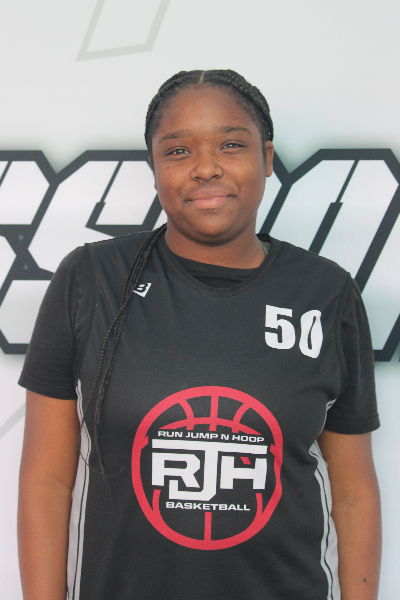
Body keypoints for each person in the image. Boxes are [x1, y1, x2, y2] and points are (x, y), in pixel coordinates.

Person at [18, 70, 381, 600]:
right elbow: (46, 482)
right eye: (178, 151)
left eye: (231, 144)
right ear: (154, 168)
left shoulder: (327, 292)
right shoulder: (91, 279)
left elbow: (354, 493)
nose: (206, 167)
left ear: (267, 157)